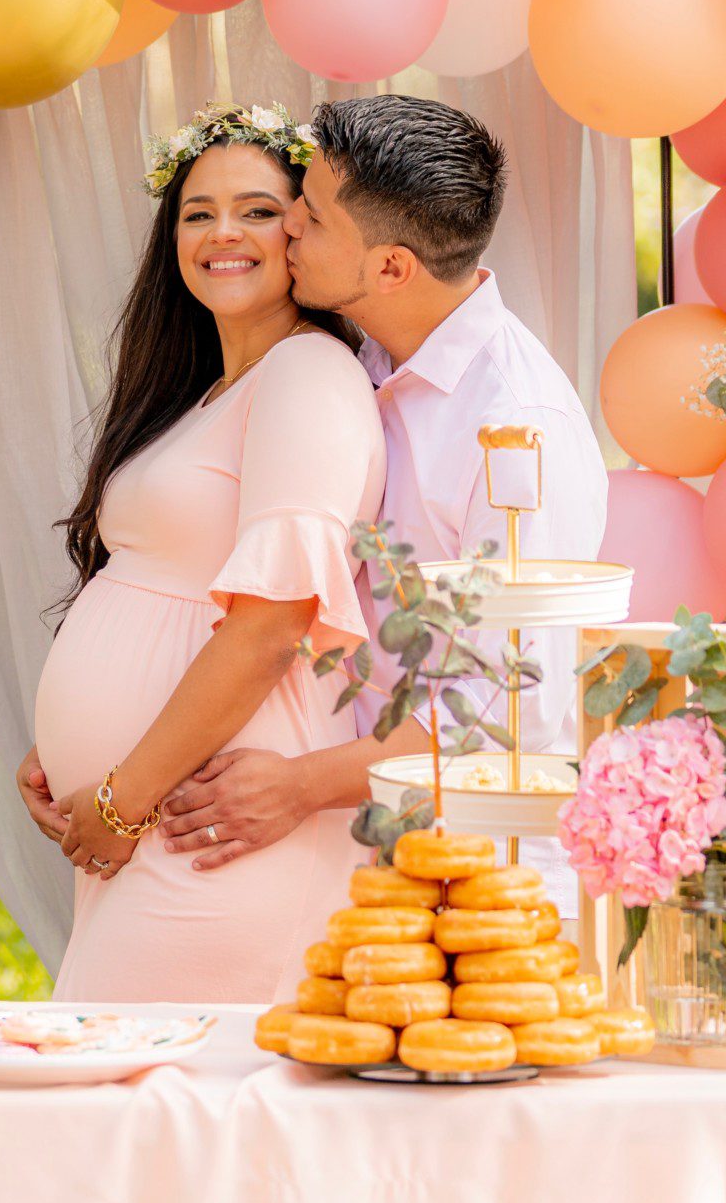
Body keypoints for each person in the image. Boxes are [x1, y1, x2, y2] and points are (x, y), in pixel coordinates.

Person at [163, 94, 610, 904]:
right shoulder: (357, 354)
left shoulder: (514, 430)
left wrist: (300, 784)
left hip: (481, 878)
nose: (289, 226)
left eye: (315, 217)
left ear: (392, 267)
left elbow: (507, 714)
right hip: (357, 860)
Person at [14, 104, 410, 1005]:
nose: (224, 232)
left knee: (136, 1102)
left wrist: (120, 797)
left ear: (303, 232)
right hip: (147, 811)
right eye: (198, 212)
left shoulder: (308, 376)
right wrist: (68, 752)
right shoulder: (206, 395)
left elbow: (272, 628)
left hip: (206, 818)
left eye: (259, 210)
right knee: (137, 1106)